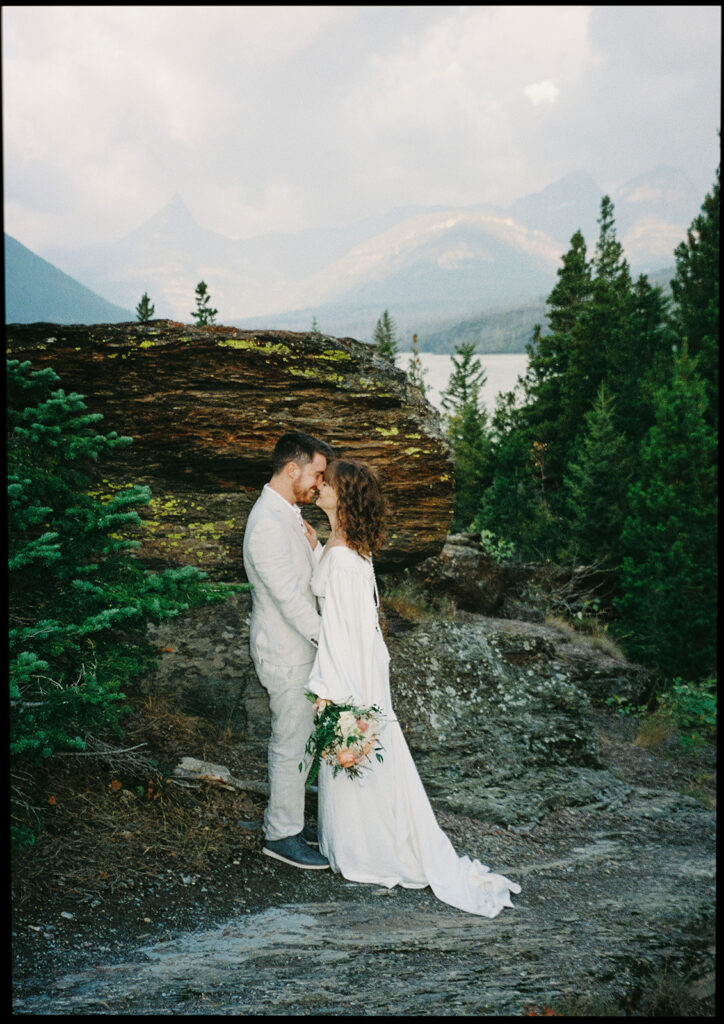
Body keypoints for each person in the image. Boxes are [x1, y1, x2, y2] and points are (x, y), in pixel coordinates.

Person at [305, 458, 521, 916]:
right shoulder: (345, 547)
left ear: (343, 497)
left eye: (328, 483)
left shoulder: (345, 558)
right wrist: (316, 546)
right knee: (359, 758)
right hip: (354, 671)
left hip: (349, 674)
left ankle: (369, 852)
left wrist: (337, 691)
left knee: (359, 752)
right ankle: (363, 846)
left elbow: (349, 633)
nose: (319, 486)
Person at [243, 430, 335, 870]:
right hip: (284, 651)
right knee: (290, 743)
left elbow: (310, 580)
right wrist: (334, 640)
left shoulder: (287, 515)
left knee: (304, 743)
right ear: (292, 468)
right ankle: (281, 835)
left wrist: (316, 545)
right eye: (316, 473)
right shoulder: (266, 523)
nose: (319, 483)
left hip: (301, 647)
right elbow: (289, 600)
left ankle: (291, 820)